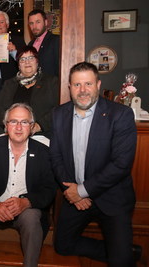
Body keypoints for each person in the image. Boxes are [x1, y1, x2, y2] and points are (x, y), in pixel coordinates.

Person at [50, 62, 137, 266]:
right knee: (62, 246)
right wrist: (72, 191)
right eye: (77, 85)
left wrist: (82, 190)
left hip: (112, 197)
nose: (82, 91)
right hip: (75, 196)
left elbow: (121, 165)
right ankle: (127, 251)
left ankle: (123, 253)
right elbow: (55, 157)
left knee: (120, 262)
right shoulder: (59, 114)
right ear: (69, 87)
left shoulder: (120, 115)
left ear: (98, 84)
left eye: (88, 84)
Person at [0, 103, 57, 267]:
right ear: (6, 126)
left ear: (31, 127)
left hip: (25, 211)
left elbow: (49, 189)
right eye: (13, 122)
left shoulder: (44, 152)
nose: (18, 127)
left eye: (24, 122)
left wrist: (26, 202)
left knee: (31, 217)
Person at [0, 46, 59, 138]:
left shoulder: (51, 82)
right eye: (22, 59)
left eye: (31, 58)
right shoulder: (9, 84)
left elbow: (58, 109)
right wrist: (10, 125)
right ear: (18, 65)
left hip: (40, 134)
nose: (27, 62)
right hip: (11, 134)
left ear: (37, 61)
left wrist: (39, 126)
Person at [27, 9, 59, 77]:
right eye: (31, 23)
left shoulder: (56, 40)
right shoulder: (30, 45)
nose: (34, 26)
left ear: (46, 22)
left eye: (38, 22)